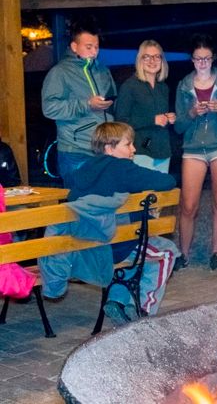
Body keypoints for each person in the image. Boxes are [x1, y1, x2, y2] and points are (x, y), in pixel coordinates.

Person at [40, 122, 179, 326]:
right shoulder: (122, 168)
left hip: (88, 247)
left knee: (137, 246)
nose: (134, 149)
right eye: (128, 144)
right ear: (109, 148)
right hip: (116, 247)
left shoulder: (84, 169)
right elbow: (167, 181)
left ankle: (118, 300)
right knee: (166, 252)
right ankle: (144, 309)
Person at [174, 33, 217, 270]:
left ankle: (216, 253)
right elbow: (179, 127)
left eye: (207, 58)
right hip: (193, 148)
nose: (202, 63)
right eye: (198, 58)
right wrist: (191, 113)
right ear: (192, 59)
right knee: (188, 205)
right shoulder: (183, 86)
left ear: (213, 58)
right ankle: (183, 254)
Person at [41, 18, 116, 188]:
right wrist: (87, 104)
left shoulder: (103, 70)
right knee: (81, 201)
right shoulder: (60, 72)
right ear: (74, 46)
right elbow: (49, 108)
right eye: (88, 47)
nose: (94, 52)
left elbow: (112, 104)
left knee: (105, 200)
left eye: (96, 47)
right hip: (76, 152)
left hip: (104, 150)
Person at [116, 40, 176, 173]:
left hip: (163, 151)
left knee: (162, 187)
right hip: (140, 152)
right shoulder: (129, 86)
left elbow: (160, 118)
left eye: (157, 56)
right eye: (147, 57)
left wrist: (169, 118)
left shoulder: (163, 87)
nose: (152, 61)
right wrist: (152, 120)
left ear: (162, 60)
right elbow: (120, 122)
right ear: (140, 60)